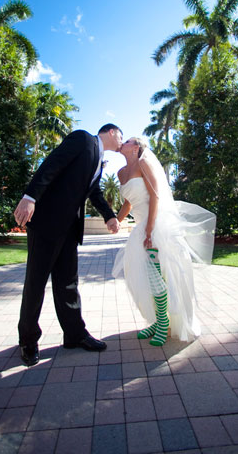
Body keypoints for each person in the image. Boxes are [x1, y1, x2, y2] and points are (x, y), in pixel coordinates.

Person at [13, 124, 122, 366]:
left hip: (69, 229)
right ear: (112, 132)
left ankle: (74, 334)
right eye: (121, 137)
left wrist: (109, 215)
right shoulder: (84, 140)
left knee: (68, 284)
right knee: (36, 282)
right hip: (46, 223)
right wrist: (30, 197)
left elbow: (94, 192)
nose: (122, 143)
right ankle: (28, 340)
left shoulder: (99, 160)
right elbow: (53, 163)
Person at [113, 137, 216, 346]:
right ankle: (157, 320)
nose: (122, 143)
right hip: (141, 228)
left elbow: (155, 195)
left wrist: (150, 228)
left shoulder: (144, 163)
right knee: (141, 277)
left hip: (157, 225)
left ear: (135, 147)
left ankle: (163, 325)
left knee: (157, 277)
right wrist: (116, 220)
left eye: (127, 141)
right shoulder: (121, 173)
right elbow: (128, 203)